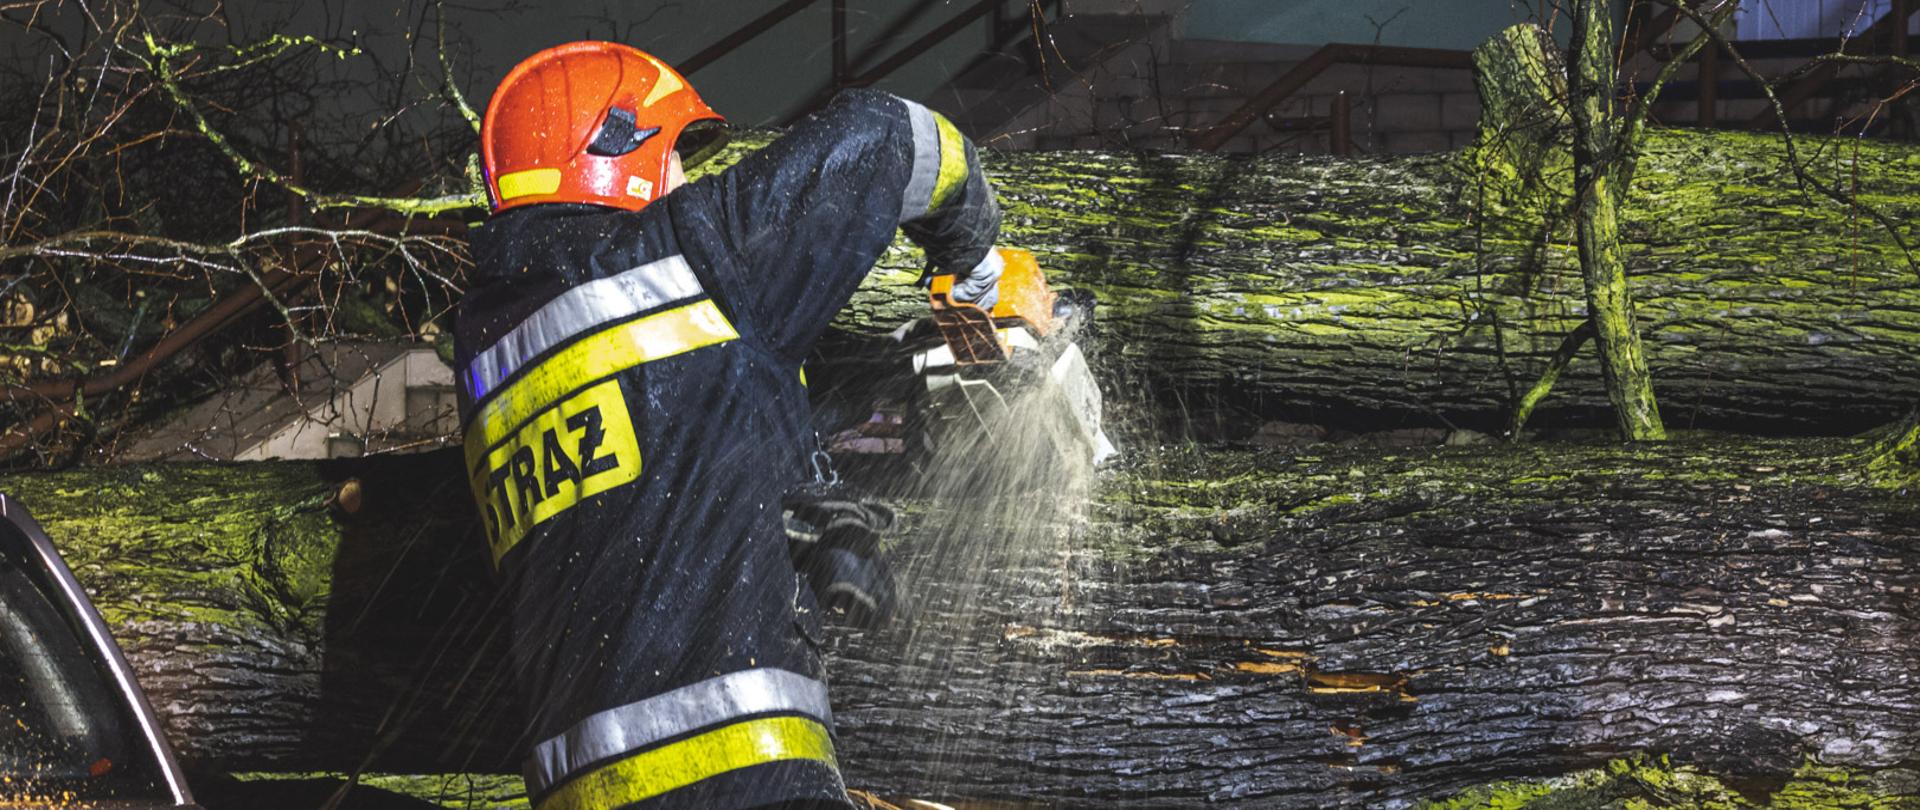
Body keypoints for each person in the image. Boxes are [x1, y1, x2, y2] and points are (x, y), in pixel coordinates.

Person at [455, 41, 1002, 810]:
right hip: (744, 781)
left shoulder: (493, 362)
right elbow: (892, 134)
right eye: (677, 153)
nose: (689, 179)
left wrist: (890, 374)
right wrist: (976, 259)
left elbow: (693, 418)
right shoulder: (685, 254)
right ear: (617, 149)